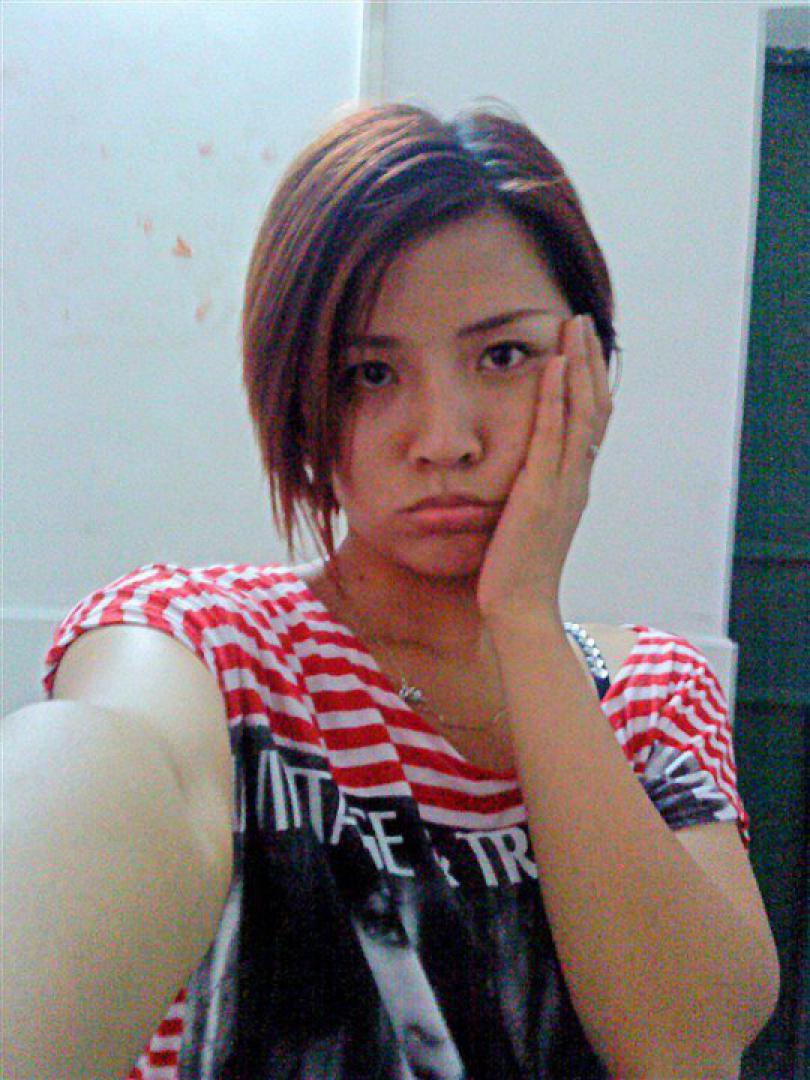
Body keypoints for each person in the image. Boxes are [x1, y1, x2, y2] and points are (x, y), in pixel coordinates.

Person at [3, 100, 781, 1080]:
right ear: (300, 404)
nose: (445, 439)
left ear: (588, 368)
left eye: (503, 356)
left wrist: (523, 618)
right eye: (370, 373)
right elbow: (113, 769)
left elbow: (685, 1045)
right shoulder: (203, 644)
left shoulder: (652, 692)